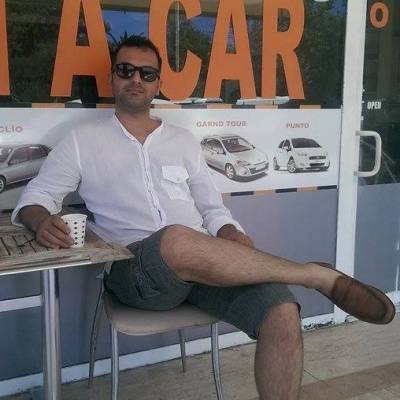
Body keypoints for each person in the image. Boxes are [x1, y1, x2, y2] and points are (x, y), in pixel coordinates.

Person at [12, 35, 395, 400]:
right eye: (126, 70)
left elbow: (214, 210)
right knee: (176, 238)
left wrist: (230, 232)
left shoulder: (181, 141)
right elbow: (35, 198)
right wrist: (40, 220)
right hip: (135, 270)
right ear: (112, 77)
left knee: (281, 311)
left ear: (158, 83)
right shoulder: (82, 141)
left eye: (147, 73)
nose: (136, 79)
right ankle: (314, 275)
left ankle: (307, 279)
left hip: (200, 266)